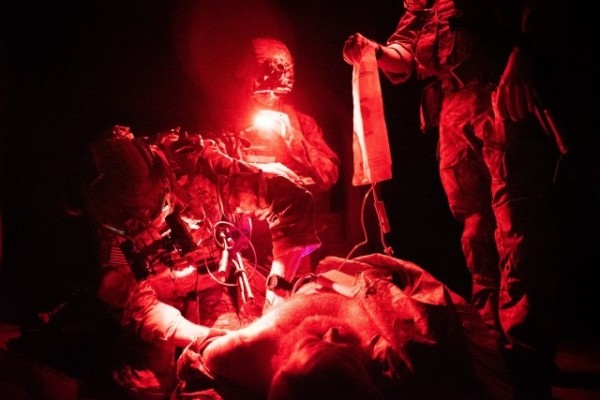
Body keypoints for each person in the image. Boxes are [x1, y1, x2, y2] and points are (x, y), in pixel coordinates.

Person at [342, 1, 566, 398]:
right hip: (453, 108)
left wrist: (522, 57)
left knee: (515, 229)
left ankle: (526, 353)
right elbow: (404, 54)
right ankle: (491, 344)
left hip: (497, 95)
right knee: (475, 232)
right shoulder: (422, 5)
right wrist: (373, 52)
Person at [76, 125, 321, 399]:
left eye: (152, 213)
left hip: (214, 281)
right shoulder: (108, 211)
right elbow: (131, 297)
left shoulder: (199, 169)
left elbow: (293, 202)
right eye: (133, 225)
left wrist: (278, 286)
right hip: (159, 301)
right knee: (144, 386)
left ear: (163, 180)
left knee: (241, 358)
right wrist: (197, 335)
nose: (145, 227)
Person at [175, 253, 513, 400]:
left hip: (269, 309)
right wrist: (357, 278)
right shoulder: (416, 352)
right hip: (338, 284)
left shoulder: (241, 355)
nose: (332, 332)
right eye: (340, 350)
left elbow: (199, 356)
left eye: (311, 346)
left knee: (221, 296)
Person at [208, 37, 341, 273]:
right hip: (244, 243)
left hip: (293, 240)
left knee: (293, 293)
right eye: (263, 91)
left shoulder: (301, 124)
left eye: (276, 92)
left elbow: (329, 175)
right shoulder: (228, 125)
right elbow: (210, 175)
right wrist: (255, 174)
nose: (270, 97)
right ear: (248, 82)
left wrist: (295, 142)